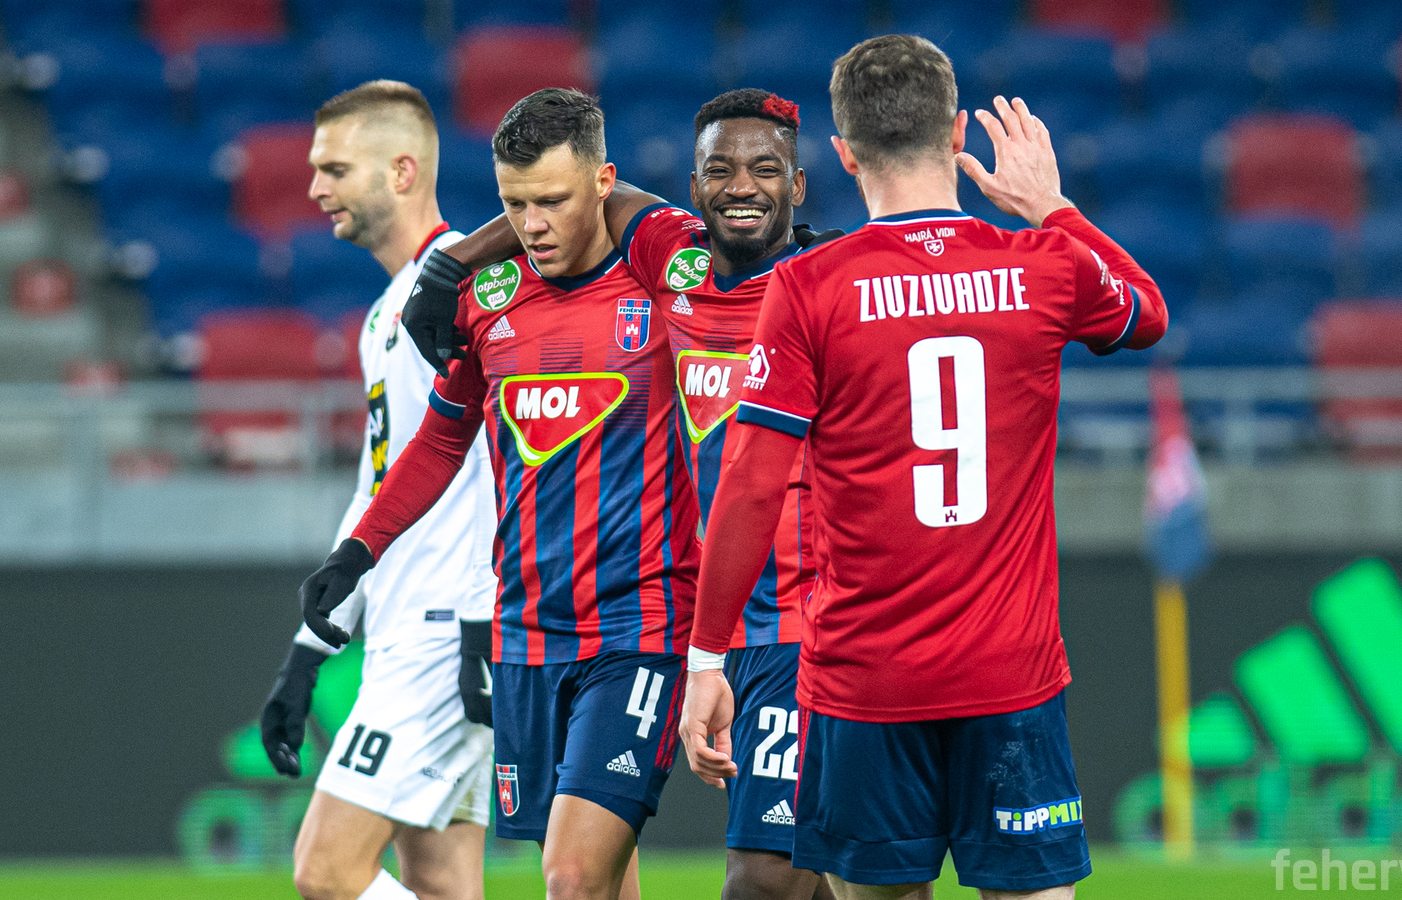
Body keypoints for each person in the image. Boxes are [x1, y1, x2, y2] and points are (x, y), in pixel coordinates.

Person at [678, 35, 1169, 900]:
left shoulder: (809, 287)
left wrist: (706, 658)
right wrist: (1053, 207)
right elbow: (1147, 314)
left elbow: (750, 487)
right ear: (957, 136)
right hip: (1010, 675)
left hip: (864, 680)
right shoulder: (1044, 266)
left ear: (842, 154)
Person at [408, 87, 840, 900]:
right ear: (693, 185)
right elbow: (581, 196)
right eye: (720, 169)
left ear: (799, 183)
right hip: (713, 621)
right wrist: (453, 262)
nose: (741, 186)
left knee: (775, 876)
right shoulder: (670, 261)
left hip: (803, 615)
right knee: (798, 875)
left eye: (764, 169)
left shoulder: (829, 284)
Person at [298, 88, 698, 900]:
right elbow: (441, 440)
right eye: (515, 205)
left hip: (640, 626)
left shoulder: (661, 287)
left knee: (570, 875)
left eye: (552, 200)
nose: (533, 224)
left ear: (604, 183)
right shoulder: (490, 299)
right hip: (529, 634)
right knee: (595, 878)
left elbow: (723, 246)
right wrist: (359, 550)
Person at [257, 80, 497, 900]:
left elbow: (504, 461)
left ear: (401, 170)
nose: (314, 187)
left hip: (445, 631)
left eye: (334, 168)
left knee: (325, 871)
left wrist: (482, 615)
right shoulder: (385, 313)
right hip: (406, 627)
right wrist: (310, 650)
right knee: (440, 881)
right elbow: (378, 487)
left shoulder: (467, 290)